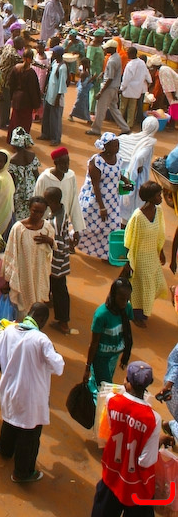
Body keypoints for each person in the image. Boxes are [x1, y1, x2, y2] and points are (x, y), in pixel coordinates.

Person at [0, 302, 64, 484]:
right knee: (29, 433)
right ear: (42, 320)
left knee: (10, 420)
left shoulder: (9, 331)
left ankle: (5, 449)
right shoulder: (41, 340)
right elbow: (58, 367)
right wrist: (55, 352)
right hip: (31, 396)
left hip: (9, 389)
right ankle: (22, 472)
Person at [90, 361, 163, 517]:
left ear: (127, 383)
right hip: (137, 487)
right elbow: (145, 461)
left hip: (112, 477)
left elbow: (112, 429)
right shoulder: (154, 419)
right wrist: (158, 443)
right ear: (148, 384)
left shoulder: (111, 400)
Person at [124, 181, 167, 328]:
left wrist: (161, 252)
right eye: (158, 195)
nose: (161, 198)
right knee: (142, 287)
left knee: (157, 284)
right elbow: (129, 240)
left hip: (152, 256)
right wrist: (129, 261)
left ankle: (141, 310)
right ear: (150, 197)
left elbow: (160, 233)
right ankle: (138, 315)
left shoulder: (158, 211)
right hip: (140, 258)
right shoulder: (138, 216)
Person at [3, 196, 54, 319]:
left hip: (39, 274)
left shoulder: (47, 228)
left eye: (41, 212)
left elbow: (51, 251)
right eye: (35, 211)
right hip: (23, 275)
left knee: (37, 305)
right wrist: (8, 278)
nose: (37, 215)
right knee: (23, 307)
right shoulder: (18, 228)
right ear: (29, 209)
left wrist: (49, 241)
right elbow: (10, 253)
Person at [83, 278, 133, 400]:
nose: (124, 303)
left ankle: (92, 388)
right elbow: (94, 343)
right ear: (113, 295)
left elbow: (127, 331)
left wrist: (125, 354)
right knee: (106, 390)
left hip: (114, 356)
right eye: (121, 299)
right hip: (101, 358)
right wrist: (87, 367)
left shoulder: (127, 308)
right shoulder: (101, 315)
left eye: (127, 299)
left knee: (101, 383)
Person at [78, 133, 127, 260]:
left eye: (118, 145)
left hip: (112, 201)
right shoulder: (96, 162)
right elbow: (95, 186)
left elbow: (117, 173)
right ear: (106, 147)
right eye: (114, 145)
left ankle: (106, 254)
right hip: (96, 201)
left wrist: (125, 180)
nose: (117, 148)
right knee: (90, 226)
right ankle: (74, 241)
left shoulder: (118, 158)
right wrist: (102, 207)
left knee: (112, 226)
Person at [34, 147, 85, 241]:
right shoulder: (44, 178)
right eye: (63, 163)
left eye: (68, 163)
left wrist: (76, 229)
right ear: (55, 163)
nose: (66, 166)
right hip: (46, 224)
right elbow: (37, 202)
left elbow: (74, 203)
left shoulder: (71, 177)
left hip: (63, 224)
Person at [44, 187, 75, 335]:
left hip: (56, 262)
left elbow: (59, 245)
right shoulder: (61, 212)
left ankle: (63, 322)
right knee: (57, 288)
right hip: (61, 262)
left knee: (60, 291)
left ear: (52, 202)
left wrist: (49, 240)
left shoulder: (56, 221)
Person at [118, 115, 160, 224]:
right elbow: (139, 157)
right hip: (136, 177)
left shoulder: (133, 137)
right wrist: (137, 166)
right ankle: (129, 225)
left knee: (124, 198)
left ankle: (123, 222)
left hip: (126, 173)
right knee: (134, 200)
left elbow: (120, 142)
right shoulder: (148, 143)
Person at [87, 39, 131, 136]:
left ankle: (96, 129)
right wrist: (103, 73)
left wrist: (101, 92)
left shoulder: (112, 60)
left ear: (112, 48)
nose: (105, 50)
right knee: (114, 108)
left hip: (108, 88)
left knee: (100, 109)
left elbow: (110, 78)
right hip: (114, 87)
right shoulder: (117, 57)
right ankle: (125, 128)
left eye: (107, 48)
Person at [7, 49, 41, 143]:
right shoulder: (31, 73)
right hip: (26, 102)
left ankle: (12, 140)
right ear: (31, 59)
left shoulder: (16, 68)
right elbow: (33, 90)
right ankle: (21, 143)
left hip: (16, 99)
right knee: (24, 124)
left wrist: (12, 97)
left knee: (15, 121)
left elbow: (10, 84)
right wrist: (36, 105)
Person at [38, 46, 68, 147]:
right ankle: (45, 134)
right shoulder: (54, 63)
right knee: (46, 117)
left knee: (55, 119)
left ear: (58, 54)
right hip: (49, 95)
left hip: (55, 98)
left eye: (54, 53)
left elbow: (62, 85)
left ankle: (56, 138)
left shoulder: (62, 67)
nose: (52, 54)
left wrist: (57, 99)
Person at [9, 128, 40, 222]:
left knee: (19, 220)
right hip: (32, 192)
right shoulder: (32, 156)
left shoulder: (12, 160)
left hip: (19, 194)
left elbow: (12, 181)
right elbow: (37, 175)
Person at [119, 47, 152, 130]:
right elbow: (147, 76)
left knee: (123, 108)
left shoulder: (130, 65)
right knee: (132, 109)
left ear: (131, 54)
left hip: (127, 89)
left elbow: (126, 79)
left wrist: (121, 88)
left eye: (128, 53)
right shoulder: (142, 63)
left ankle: (120, 123)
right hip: (136, 91)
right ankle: (129, 124)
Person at [68, 57, 94, 124]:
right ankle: (71, 114)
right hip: (82, 91)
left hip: (85, 91)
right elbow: (83, 84)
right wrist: (92, 79)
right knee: (79, 103)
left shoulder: (87, 71)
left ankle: (88, 118)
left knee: (85, 104)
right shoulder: (84, 73)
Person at [86, 28, 106, 114]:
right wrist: (91, 73)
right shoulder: (92, 46)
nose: (102, 39)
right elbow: (88, 60)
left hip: (98, 71)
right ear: (98, 37)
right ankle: (91, 109)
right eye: (102, 37)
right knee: (93, 91)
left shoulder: (98, 45)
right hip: (93, 72)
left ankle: (93, 108)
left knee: (96, 90)